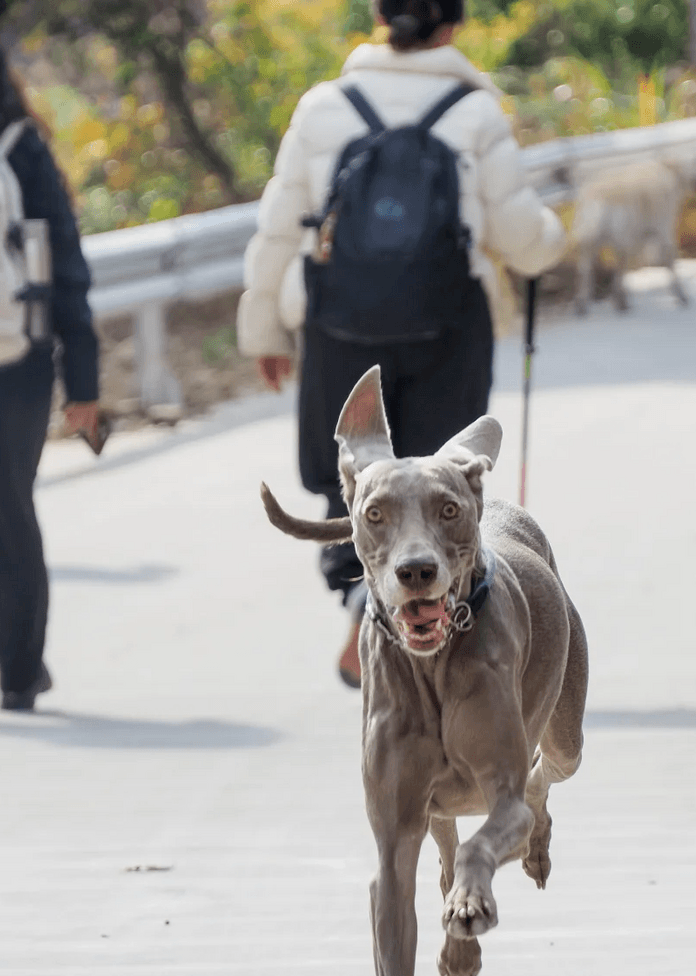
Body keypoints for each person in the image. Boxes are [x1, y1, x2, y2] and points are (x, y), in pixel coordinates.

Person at [237, 0, 566, 687]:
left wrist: (264, 326)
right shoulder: (474, 111)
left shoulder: (323, 106)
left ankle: (365, 604)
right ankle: (427, 628)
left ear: (380, 18)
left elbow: (280, 225)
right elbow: (523, 238)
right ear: (452, 26)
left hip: (339, 327)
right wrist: (549, 237)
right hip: (448, 327)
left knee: (354, 481)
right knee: (440, 482)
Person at [0, 0, 100, 710]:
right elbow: (67, 269)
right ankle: (19, 673)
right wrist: (83, 380)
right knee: (10, 512)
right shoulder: (21, 144)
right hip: (14, 358)